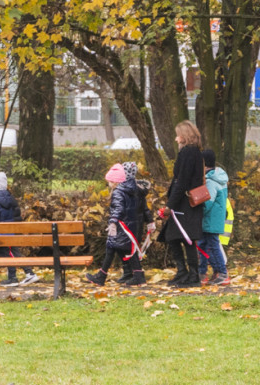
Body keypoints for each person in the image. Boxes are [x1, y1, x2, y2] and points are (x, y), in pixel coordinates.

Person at [158, 120, 205, 287]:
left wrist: (170, 205)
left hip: (184, 203)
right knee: (176, 236)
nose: (176, 139)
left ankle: (191, 275)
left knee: (185, 238)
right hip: (187, 203)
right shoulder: (196, 153)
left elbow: (182, 181)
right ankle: (185, 273)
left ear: (184, 136)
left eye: (178, 135)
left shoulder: (188, 153)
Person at [85, 163, 147, 286]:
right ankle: (137, 275)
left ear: (114, 181)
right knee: (124, 248)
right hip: (129, 225)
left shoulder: (118, 192)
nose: (108, 183)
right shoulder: (132, 189)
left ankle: (102, 276)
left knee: (113, 247)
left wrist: (113, 221)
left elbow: (119, 208)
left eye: (109, 181)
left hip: (121, 225)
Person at [198, 149, 230, 286]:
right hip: (214, 219)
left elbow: (207, 203)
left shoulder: (211, 181)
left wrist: (197, 210)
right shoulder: (219, 177)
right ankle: (203, 272)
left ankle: (222, 273)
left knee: (212, 245)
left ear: (204, 164)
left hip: (210, 219)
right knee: (203, 245)